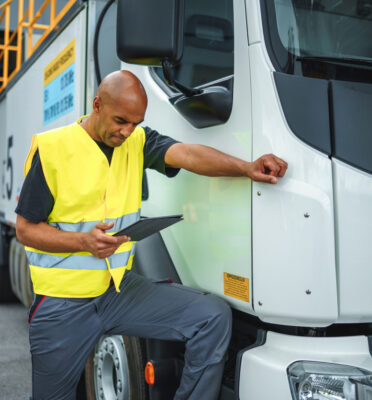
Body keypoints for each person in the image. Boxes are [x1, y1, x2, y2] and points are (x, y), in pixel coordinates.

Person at [15, 70, 287, 400]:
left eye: (135, 122)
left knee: (211, 316)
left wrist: (246, 167)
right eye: (120, 120)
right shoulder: (54, 149)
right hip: (63, 303)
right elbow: (25, 230)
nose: (127, 131)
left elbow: (187, 155)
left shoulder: (137, 141)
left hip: (117, 291)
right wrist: (83, 242)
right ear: (97, 105)